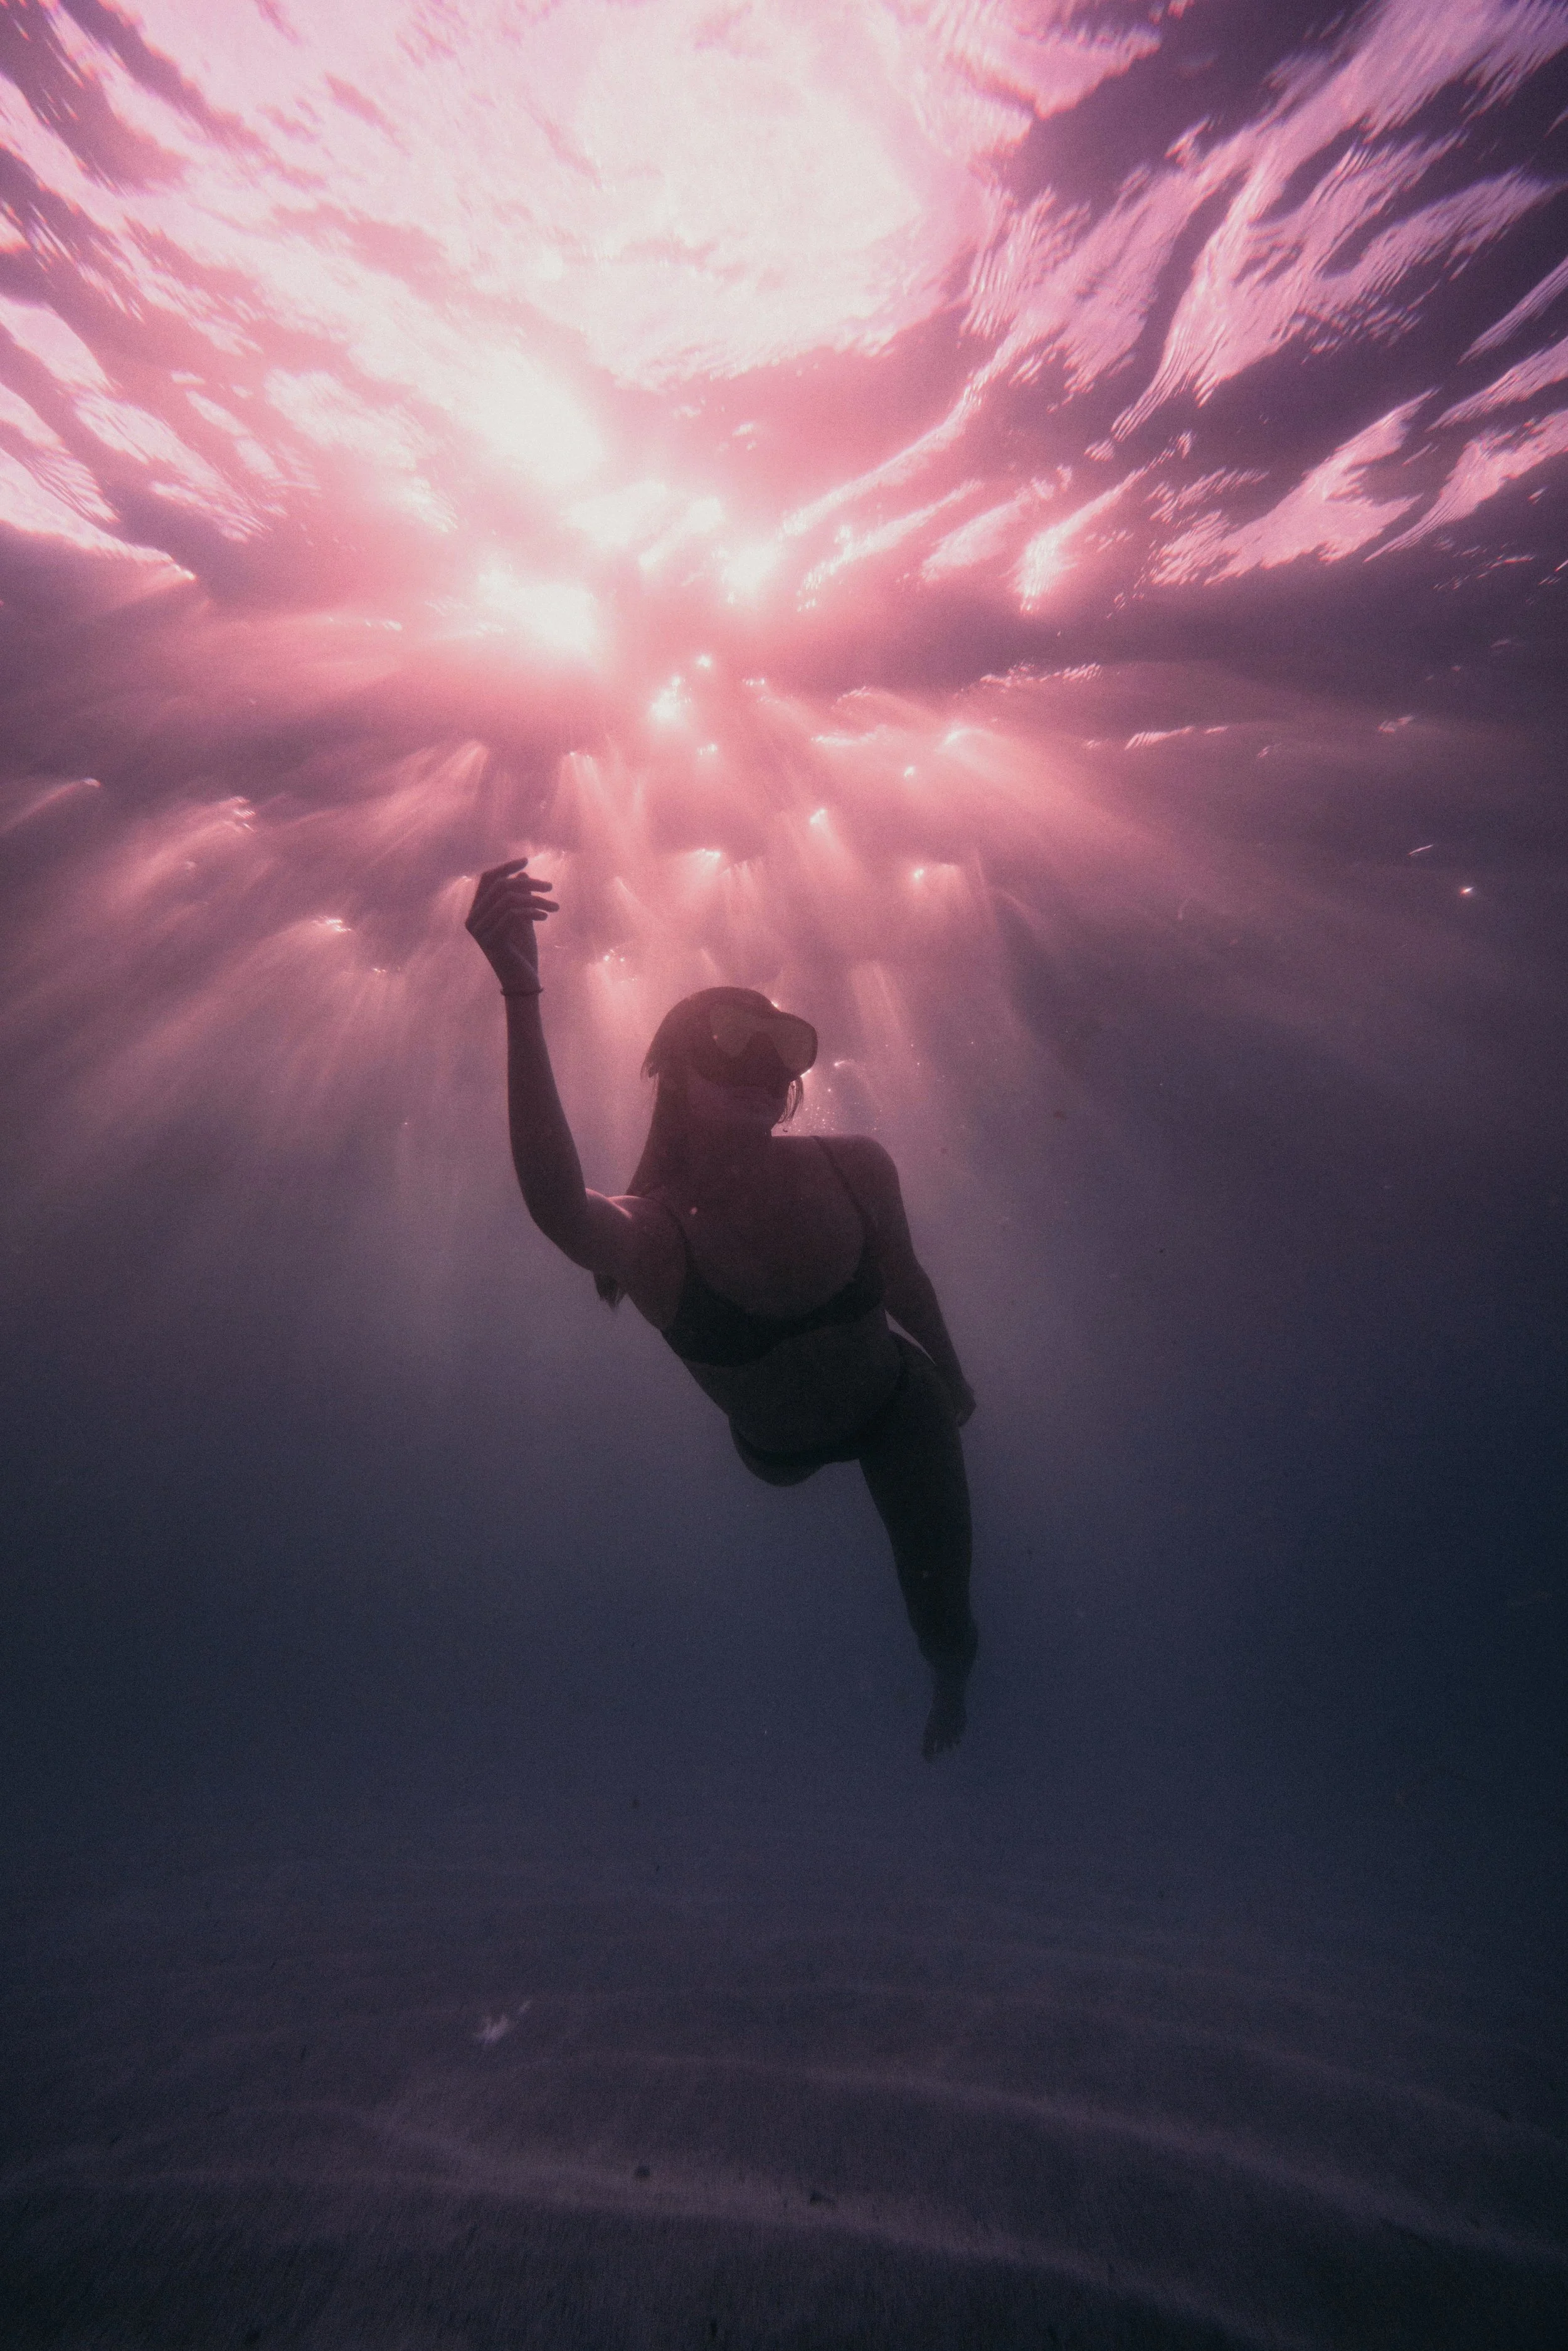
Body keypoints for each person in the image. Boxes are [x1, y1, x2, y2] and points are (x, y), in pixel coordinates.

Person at [465, 856, 980, 1759]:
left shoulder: (857, 1166)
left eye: (780, 1048)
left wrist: (957, 1377)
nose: (758, 1065)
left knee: (943, 1611)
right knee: (826, 1501)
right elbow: (557, 1208)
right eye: (731, 1040)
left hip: (901, 1406)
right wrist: (521, 993)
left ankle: (950, 1688)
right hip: (773, 1452)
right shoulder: (656, 1235)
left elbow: (904, 1280)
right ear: (673, 1074)